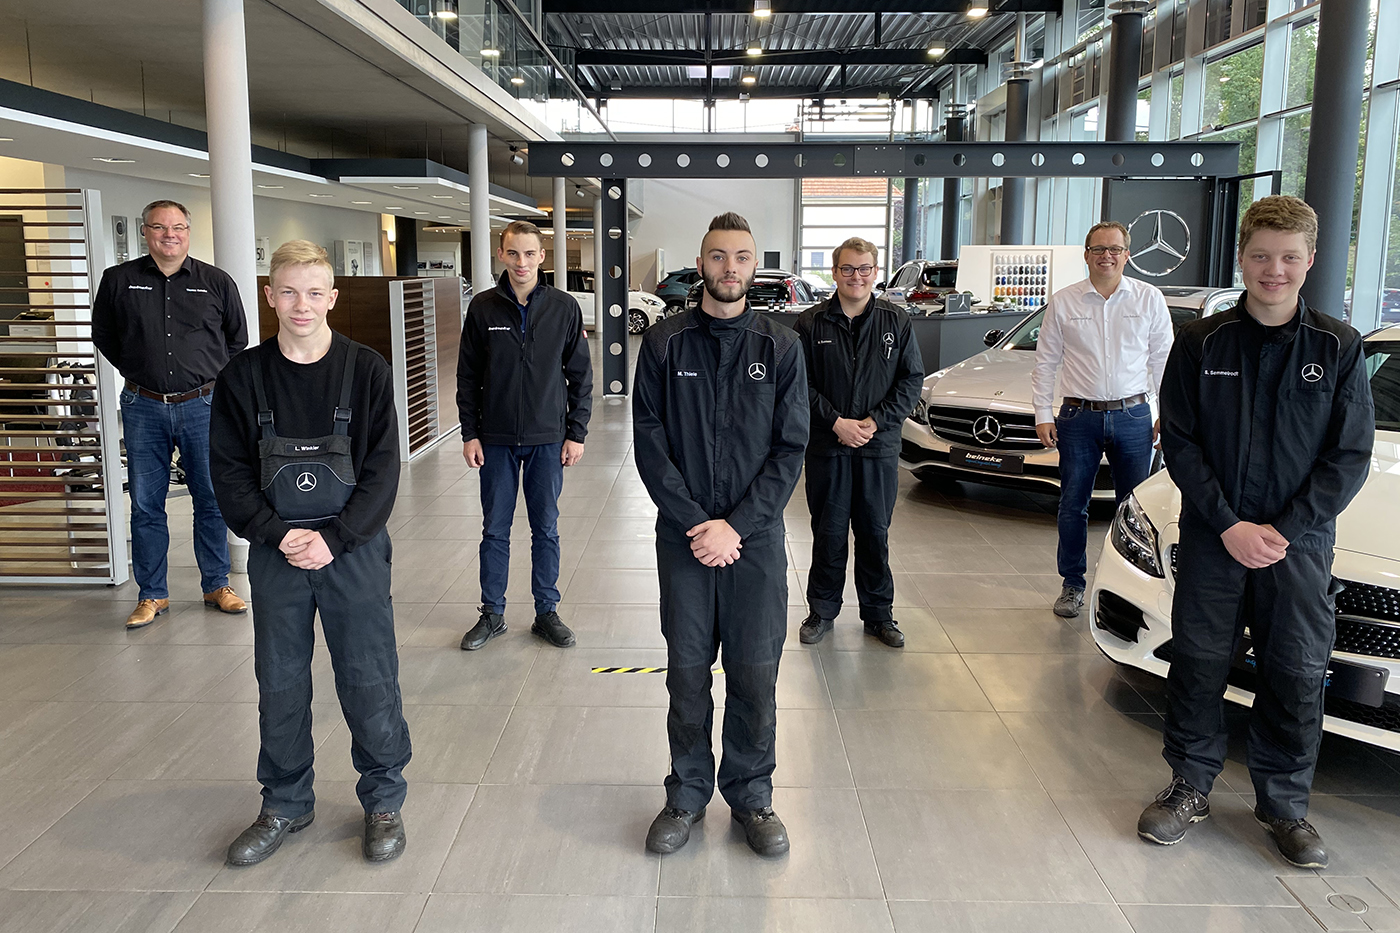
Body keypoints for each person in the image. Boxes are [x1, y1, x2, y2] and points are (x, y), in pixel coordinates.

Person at [1138, 196, 1373, 869]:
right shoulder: (1201, 342)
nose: (1275, 270)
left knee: (1295, 671)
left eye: (1289, 257)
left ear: (1310, 260)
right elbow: (1181, 443)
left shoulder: (1338, 347)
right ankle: (1190, 785)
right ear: (1242, 258)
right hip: (1216, 538)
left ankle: (1284, 804)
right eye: (1262, 256)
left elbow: (1349, 456)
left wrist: (1283, 529)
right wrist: (1229, 523)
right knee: (1199, 661)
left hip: (1297, 547)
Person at [210, 240, 411, 867]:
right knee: (281, 680)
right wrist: (275, 535)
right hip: (278, 554)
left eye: (315, 292)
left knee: (369, 675)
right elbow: (228, 473)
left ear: (332, 298)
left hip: (352, 550)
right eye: (290, 292)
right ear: (270, 296)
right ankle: (285, 803)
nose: (303, 304)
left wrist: (336, 538)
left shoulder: (367, 370)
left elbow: (383, 470)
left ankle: (383, 800)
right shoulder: (242, 376)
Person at [633, 212, 809, 858]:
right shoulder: (666, 344)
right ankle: (685, 793)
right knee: (686, 673)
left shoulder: (780, 347)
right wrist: (695, 523)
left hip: (753, 542)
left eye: (740, 257)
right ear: (700, 262)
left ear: (754, 266)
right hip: (684, 539)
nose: (728, 268)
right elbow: (649, 442)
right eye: (717, 256)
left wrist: (735, 526)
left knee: (755, 672)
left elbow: (789, 450)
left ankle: (751, 794)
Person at [92, 199, 248, 629]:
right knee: (146, 504)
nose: (169, 235)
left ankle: (217, 585)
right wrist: (137, 368)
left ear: (188, 232)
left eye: (177, 227)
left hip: (203, 406)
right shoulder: (119, 280)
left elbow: (237, 339)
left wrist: (209, 378)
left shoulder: (215, 281)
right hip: (143, 406)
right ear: (145, 231)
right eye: (159, 227)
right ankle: (152, 594)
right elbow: (104, 334)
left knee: (211, 499)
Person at [456, 221, 593, 651]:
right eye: (513, 253)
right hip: (494, 439)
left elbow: (581, 376)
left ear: (542, 256)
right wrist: (470, 433)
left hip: (547, 438)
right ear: (501, 254)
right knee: (494, 530)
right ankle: (492, 614)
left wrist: (576, 433)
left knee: (545, 529)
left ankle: (546, 612)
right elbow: (467, 376)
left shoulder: (564, 308)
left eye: (530, 254)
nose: (521, 262)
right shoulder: (482, 308)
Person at [1032, 221, 1173, 618]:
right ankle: (1072, 584)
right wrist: (1042, 413)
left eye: (1114, 249)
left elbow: (1163, 361)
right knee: (1073, 504)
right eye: (1098, 249)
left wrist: (1167, 414)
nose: (1106, 256)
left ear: (1127, 254)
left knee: (1138, 510)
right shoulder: (1064, 301)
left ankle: (1132, 589)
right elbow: (1046, 362)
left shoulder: (1148, 298)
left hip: (1135, 416)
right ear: (1086, 254)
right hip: (1078, 416)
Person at [794, 237, 923, 648]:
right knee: (828, 533)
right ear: (835, 273)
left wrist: (874, 421)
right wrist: (835, 422)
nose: (856, 276)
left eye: (864, 268)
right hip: (828, 447)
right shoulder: (811, 324)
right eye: (848, 269)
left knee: (874, 533)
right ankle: (822, 610)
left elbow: (911, 380)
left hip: (877, 447)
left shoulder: (896, 321)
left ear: (875, 272)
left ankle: (879, 615)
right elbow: (799, 385)